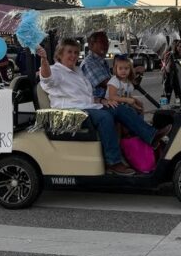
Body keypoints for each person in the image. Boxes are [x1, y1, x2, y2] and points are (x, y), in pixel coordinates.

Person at [38, 39, 171, 175]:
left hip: (86, 107)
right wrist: (43, 59)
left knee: (118, 107)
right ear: (60, 54)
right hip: (70, 113)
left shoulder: (77, 71)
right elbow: (47, 78)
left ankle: (151, 136)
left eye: (76, 52)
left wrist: (102, 100)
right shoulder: (56, 71)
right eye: (69, 52)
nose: (73, 55)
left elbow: (86, 97)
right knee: (105, 117)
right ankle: (113, 162)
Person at [81, 31, 112, 101]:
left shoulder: (102, 61)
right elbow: (109, 84)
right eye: (102, 42)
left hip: (109, 99)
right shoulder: (89, 63)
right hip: (98, 102)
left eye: (107, 42)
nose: (105, 45)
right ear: (91, 45)